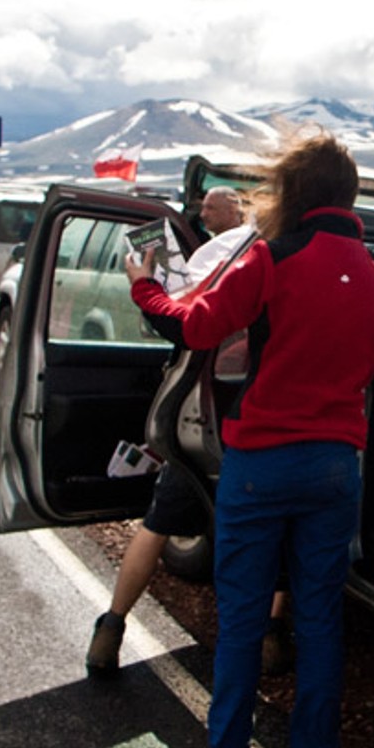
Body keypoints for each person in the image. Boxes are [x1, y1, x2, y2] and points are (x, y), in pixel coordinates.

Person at [126, 132, 374, 748]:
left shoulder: (272, 261)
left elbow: (195, 328)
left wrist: (146, 288)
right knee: (319, 617)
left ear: (294, 193)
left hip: (261, 462)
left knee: (244, 617)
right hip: (336, 466)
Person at [85, 185, 289, 676]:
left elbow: (185, 321)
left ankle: (111, 628)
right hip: (273, 422)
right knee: (277, 535)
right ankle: (268, 636)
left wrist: (143, 285)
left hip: (202, 413)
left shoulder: (229, 252)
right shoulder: (302, 259)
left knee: (158, 522)